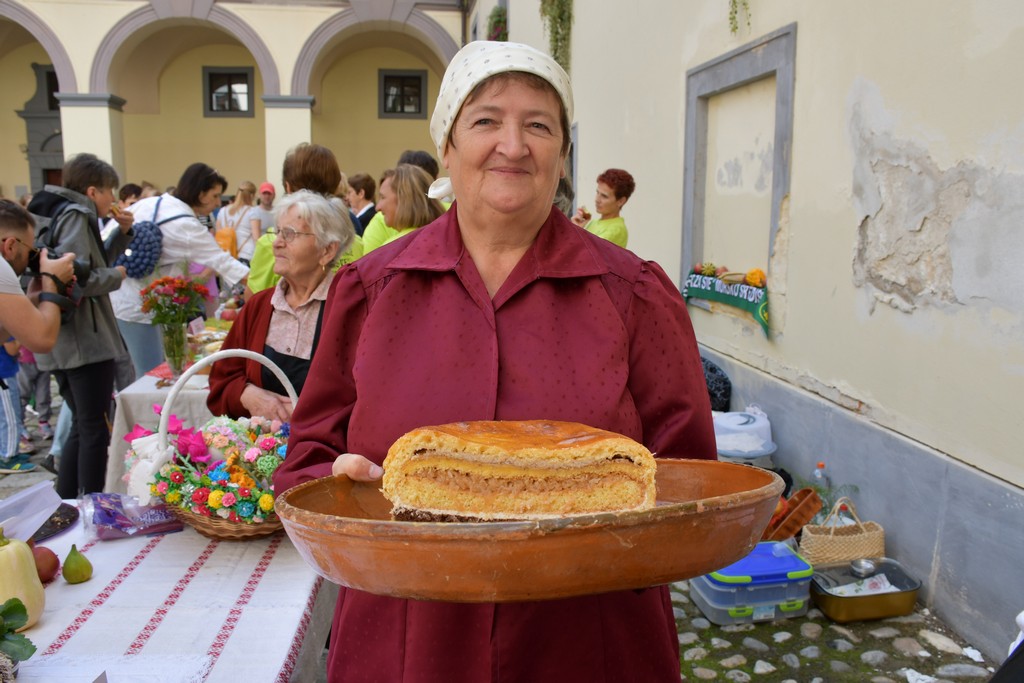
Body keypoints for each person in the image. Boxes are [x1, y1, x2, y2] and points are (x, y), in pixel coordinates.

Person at [274, 40, 715, 683]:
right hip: (405, 639)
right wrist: (337, 486)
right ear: (447, 147)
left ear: (561, 153)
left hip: (588, 640)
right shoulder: (370, 291)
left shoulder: (635, 295)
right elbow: (307, 460)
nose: (513, 145)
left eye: (539, 124)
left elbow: (687, 479)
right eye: (486, 120)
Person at [26, 153, 136, 498]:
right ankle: (91, 501)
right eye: (108, 192)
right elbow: (77, 277)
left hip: (63, 337)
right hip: (85, 340)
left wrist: (122, 233)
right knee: (94, 429)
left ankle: (68, 500)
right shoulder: (77, 214)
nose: (112, 200)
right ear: (92, 191)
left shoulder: (55, 210)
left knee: (81, 424)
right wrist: (117, 276)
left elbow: (90, 259)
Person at [207, 190, 355, 422]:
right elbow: (221, 379)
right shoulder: (259, 305)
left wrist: (310, 417)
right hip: (257, 450)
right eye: (277, 232)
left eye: (290, 234)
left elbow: (363, 396)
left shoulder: (348, 311)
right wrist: (246, 394)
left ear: (327, 251)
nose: (276, 243)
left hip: (324, 453)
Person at [110, 163, 250, 376]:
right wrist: (264, 287)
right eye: (214, 196)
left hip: (125, 297)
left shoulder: (150, 203)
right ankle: (150, 409)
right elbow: (224, 263)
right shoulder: (186, 225)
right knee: (151, 374)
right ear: (201, 194)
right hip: (139, 306)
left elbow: (107, 237)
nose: (215, 203)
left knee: (150, 370)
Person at [245, 143, 363, 297]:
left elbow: (253, 301)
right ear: (335, 187)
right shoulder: (354, 242)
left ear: (288, 187)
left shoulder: (272, 242)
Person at [360, 164, 445, 253]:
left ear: (404, 200)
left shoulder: (389, 251)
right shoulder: (449, 237)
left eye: (382, 197)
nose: (378, 207)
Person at [570, 168, 635, 248]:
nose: (597, 199)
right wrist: (578, 229)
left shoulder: (617, 230)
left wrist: (576, 231)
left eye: (604, 196)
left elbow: (587, 252)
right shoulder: (593, 222)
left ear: (621, 201)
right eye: (597, 192)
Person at [214, 180, 261, 264]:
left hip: (226, 256)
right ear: (252, 195)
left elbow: (218, 234)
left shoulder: (222, 211)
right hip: (245, 255)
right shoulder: (252, 212)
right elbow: (256, 239)